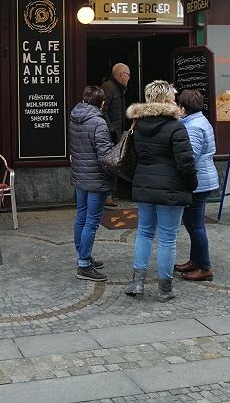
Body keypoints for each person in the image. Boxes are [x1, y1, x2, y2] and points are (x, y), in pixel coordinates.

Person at [124, 80, 197, 301]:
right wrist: (192, 184)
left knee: (144, 232)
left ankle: (137, 282)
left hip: (145, 186)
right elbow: (185, 163)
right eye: (173, 97)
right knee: (167, 238)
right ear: (166, 100)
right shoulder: (176, 127)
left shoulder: (138, 125)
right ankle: (164, 288)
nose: (176, 100)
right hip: (171, 189)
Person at [69, 85, 115, 282]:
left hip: (80, 175)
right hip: (96, 178)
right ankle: (84, 263)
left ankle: (82, 255)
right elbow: (104, 155)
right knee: (92, 221)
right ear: (102, 104)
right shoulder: (98, 123)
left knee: (81, 216)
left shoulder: (74, 117)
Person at [175, 90, 218, 282]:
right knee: (194, 224)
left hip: (199, 181)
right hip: (204, 178)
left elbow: (190, 157)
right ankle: (195, 261)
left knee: (195, 225)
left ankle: (204, 267)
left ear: (184, 108)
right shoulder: (200, 121)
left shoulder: (192, 127)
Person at [101, 63, 130, 207]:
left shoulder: (119, 89)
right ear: (120, 75)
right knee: (110, 164)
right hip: (110, 134)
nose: (129, 78)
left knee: (115, 164)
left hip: (117, 132)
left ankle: (110, 194)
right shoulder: (109, 87)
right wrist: (111, 130)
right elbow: (103, 110)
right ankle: (107, 195)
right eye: (128, 74)